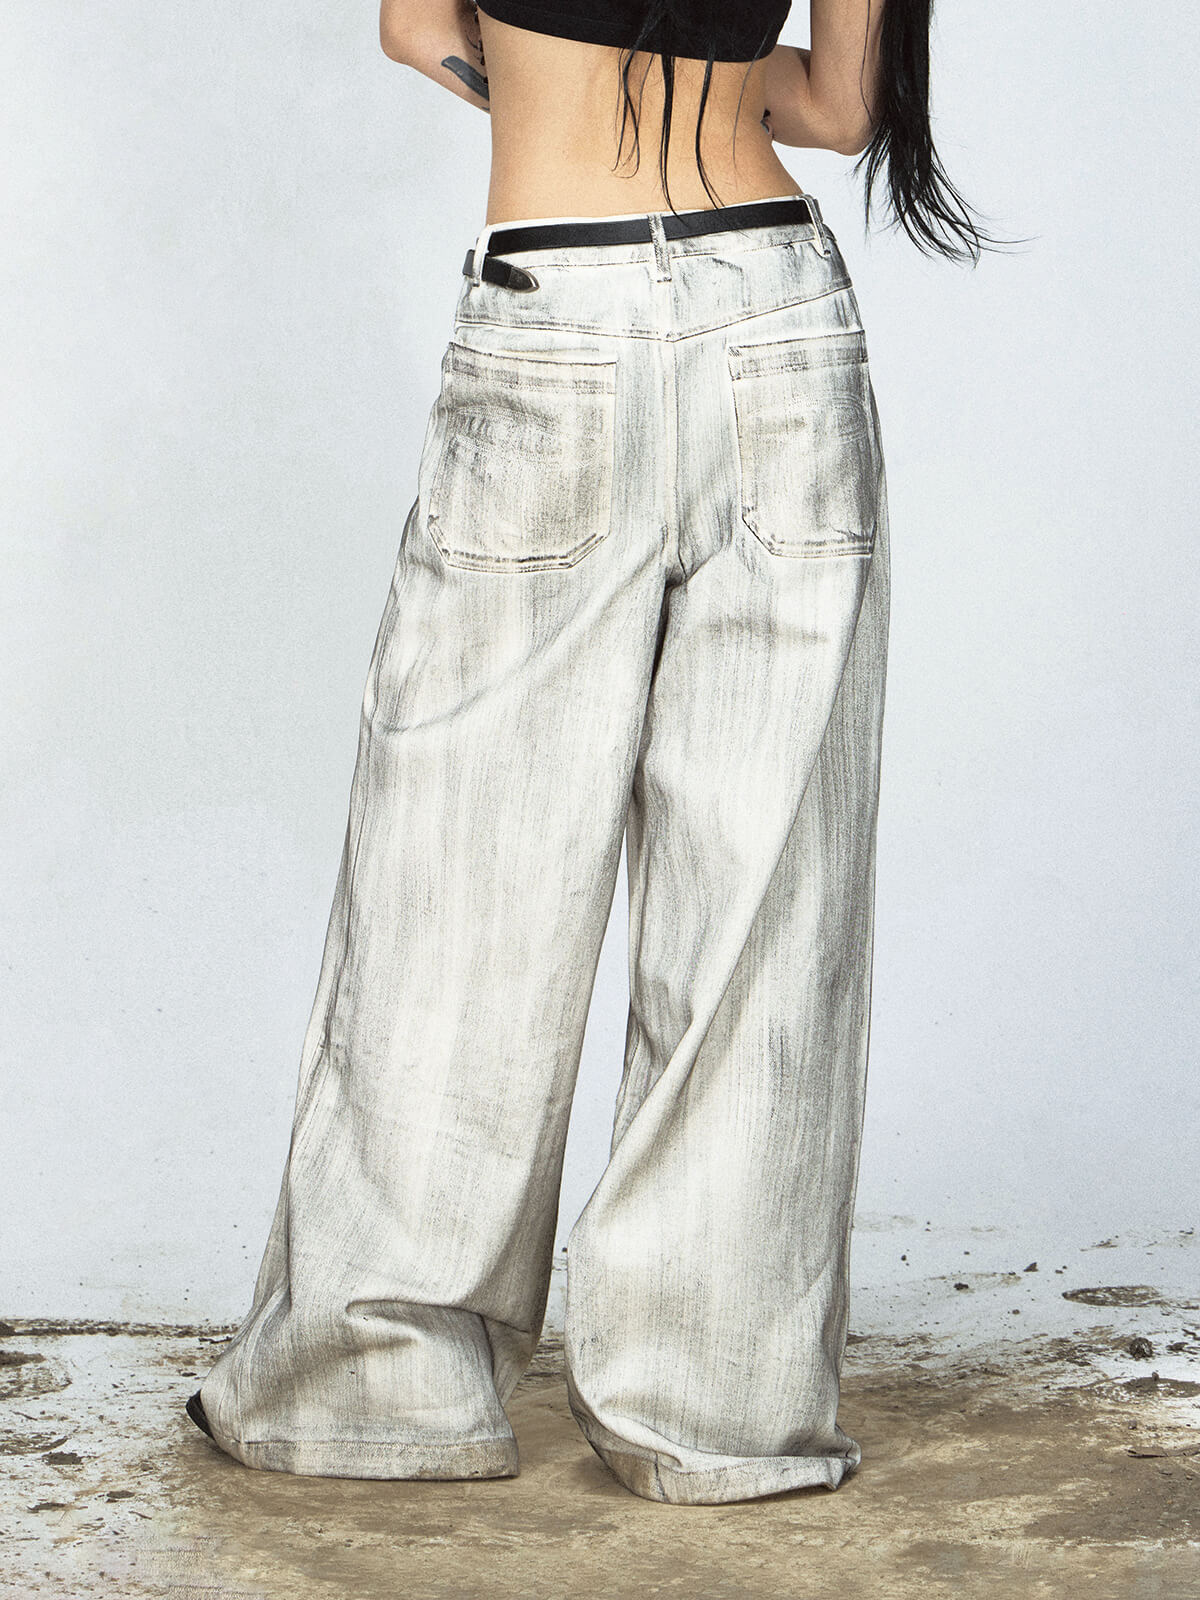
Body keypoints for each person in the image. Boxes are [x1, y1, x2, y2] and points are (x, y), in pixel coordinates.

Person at [187, 0, 1011, 1506]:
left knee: (459, 886)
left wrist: (561, 82)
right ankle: (722, 1411)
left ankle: (377, 1382)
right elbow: (841, 109)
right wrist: (705, 84)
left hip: (555, 310)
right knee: (764, 914)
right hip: (782, 321)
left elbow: (414, 27)